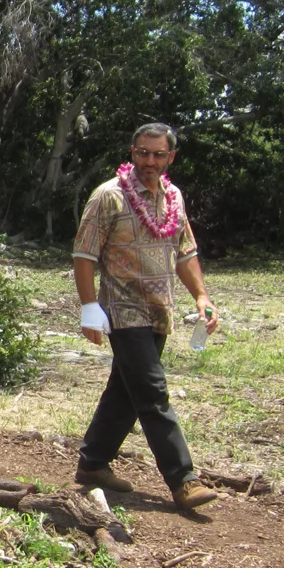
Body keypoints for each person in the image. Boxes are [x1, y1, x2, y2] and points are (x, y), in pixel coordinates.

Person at [73, 123, 220, 512]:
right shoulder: (109, 196)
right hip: (123, 310)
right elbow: (84, 255)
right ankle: (183, 479)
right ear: (132, 152)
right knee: (153, 393)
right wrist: (89, 307)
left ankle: (92, 464)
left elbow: (185, 252)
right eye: (142, 153)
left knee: (125, 392)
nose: (149, 161)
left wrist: (202, 295)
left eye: (157, 154)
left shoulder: (174, 198)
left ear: (171, 157)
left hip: (159, 311)